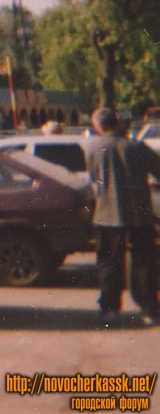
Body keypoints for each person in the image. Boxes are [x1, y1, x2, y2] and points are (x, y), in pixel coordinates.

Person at [86, 106, 160, 325]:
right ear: (116, 123)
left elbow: (94, 180)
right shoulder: (135, 146)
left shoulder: (95, 149)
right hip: (140, 214)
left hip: (107, 214)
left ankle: (109, 307)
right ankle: (149, 309)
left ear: (99, 126)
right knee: (145, 262)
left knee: (109, 261)